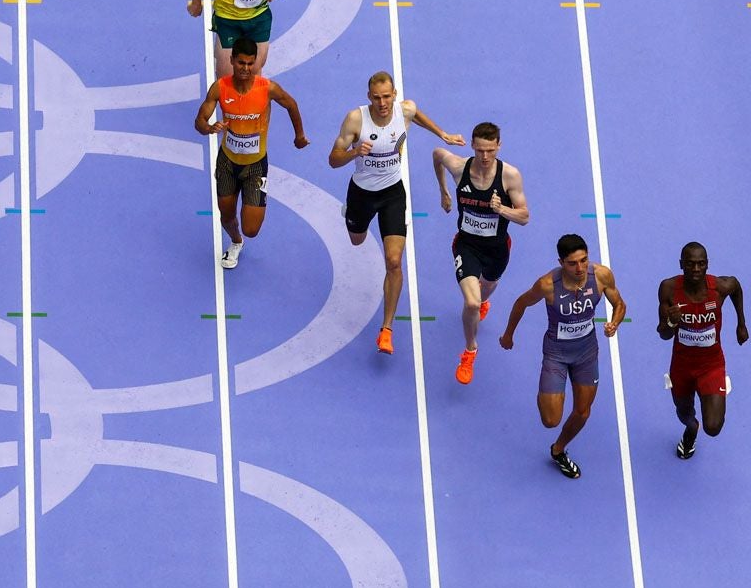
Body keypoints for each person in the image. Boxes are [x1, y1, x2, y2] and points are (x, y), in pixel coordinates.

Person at [328, 71, 464, 354]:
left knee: (393, 261)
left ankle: (386, 329)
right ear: (369, 98)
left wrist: (443, 134)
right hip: (362, 194)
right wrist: (354, 153)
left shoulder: (406, 110)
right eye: (376, 98)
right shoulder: (355, 119)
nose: (382, 103)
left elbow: (417, 116)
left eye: (387, 97)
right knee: (357, 240)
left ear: (394, 95)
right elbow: (332, 160)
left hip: (392, 193)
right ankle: (350, 214)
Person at [499, 234, 626, 479]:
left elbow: (620, 304)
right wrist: (508, 335)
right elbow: (520, 303)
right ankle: (551, 389)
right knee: (550, 419)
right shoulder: (547, 285)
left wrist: (614, 323)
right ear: (561, 262)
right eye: (572, 263)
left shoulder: (601, 276)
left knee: (583, 411)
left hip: (587, 352)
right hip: (556, 354)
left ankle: (558, 450)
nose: (580, 268)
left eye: (583, 260)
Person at [193, 37, 308, 268]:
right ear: (232, 60)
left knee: (252, 229)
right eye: (241, 63)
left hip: (256, 166)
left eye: (250, 64)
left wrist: (299, 135)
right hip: (227, 163)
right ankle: (235, 242)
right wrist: (209, 128)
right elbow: (199, 122)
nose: (246, 69)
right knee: (226, 215)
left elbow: (291, 104)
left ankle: (245, 230)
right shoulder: (220, 88)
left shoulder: (267, 89)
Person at [432, 122, 530, 384]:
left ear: (498, 146)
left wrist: (502, 211)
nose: (485, 157)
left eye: (490, 151)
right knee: (471, 303)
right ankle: (470, 349)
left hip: (497, 249)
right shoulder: (459, 167)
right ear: (473, 147)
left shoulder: (510, 176)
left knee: (485, 291)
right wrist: (443, 192)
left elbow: (524, 217)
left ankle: (484, 299)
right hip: (466, 245)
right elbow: (437, 155)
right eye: (480, 151)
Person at [656, 242, 748, 459]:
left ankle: (710, 402)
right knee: (684, 413)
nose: (696, 269)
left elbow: (736, 287)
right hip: (682, 365)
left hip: (711, 364)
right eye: (690, 264)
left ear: (707, 265)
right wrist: (670, 322)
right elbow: (663, 334)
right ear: (681, 265)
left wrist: (741, 324)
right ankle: (691, 429)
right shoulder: (669, 289)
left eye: (700, 264)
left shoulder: (720, 287)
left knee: (713, 427)